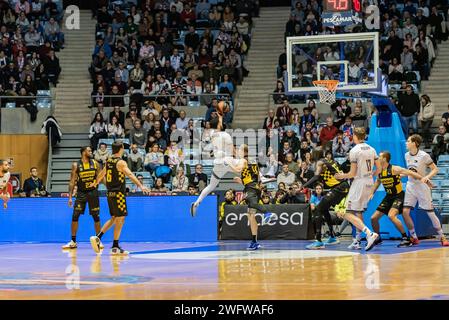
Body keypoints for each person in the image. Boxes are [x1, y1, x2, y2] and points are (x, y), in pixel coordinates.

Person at [90, 141, 151, 255]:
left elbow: (102, 174)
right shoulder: (121, 162)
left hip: (110, 193)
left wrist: (95, 183)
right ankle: (113, 245)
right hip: (118, 194)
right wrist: (141, 185)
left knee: (114, 218)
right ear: (121, 148)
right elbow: (130, 175)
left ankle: (102, 239)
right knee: (121, 219)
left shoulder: (108, 160)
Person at [369, 151, 431, 247]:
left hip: (399, 196)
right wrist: (372, 193)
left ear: (385, 159)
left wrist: (425, 180)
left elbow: (410, 172)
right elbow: (377, 182)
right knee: (373, 218)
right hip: (388, 197)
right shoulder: (379, 171)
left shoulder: (394, 169)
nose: (377, 158)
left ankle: (406, 238)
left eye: (379, 156)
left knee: (391, 216)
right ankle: (377, 238)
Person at [334, 128, 380, 251]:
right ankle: (358, 240)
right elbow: (379, 168)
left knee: (347, 212)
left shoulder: (354, 150)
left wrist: (341, 176)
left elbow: (352, 173)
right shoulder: (372, 149)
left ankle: (369, 234)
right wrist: (370, 175)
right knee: (357, 211)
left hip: (359, 182)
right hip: (369, 182)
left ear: (355, 136)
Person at [400, 134, 449, 247]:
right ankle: (414, 237)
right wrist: (401, 175)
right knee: (405, 212)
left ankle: (442, 236)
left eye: (408, 141)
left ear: (415, 143)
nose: (406, 143)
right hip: (410, 186)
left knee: (430, 214)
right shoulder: (406, 155)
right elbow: (410, 171)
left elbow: (435, 169)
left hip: (422, 187)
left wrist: (428, 177)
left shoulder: (424, 155)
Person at [190, 101, 234, 217]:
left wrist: (220, 116)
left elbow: (218, 126)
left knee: (211, 186)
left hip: (218, 164)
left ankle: (197, 203)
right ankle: (260, 177)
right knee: (245, 167)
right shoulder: (225, 135)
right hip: (227, 162)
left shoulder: (212, 135)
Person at [228, 144, 273, 250]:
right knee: (250, 215)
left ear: (244, 151)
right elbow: (255, 178)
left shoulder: (243, 160)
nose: (238, 152)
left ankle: (267, 213)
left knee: (251, 203)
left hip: (251, 188)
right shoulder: (253, 161)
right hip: (255, 187)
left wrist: (229, 165)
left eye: (239, 150)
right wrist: (241, 181)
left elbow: (238, 170)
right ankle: (254, 241)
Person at [302, 151, 348, 249]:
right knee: (324, 208)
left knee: (318, 208)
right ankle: (332, 237)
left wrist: (303, 186)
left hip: (339, 187)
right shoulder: (330, 162)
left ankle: (318, 241)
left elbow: (316, 176)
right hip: (342, 187)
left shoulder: (320, 162)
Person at [63, 147, 103, 250]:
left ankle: (98, 240)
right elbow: (72, 181)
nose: (91, 152)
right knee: (75, 216)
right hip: (81, 193)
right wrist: (70, 197)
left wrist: (104, 186)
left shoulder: (95, 163)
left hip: (93, 193)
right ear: (84, 152)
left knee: (96, 216)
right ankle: (73, 241)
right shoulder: (76, 165)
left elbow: (101, 177)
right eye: (89, 151)